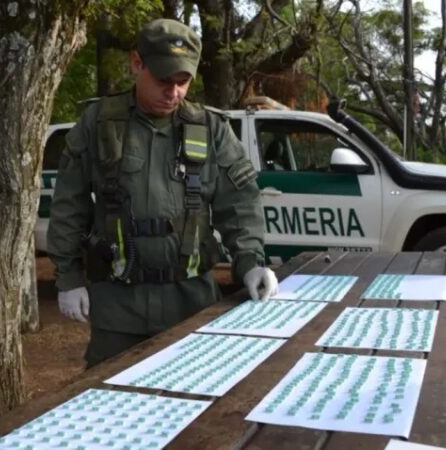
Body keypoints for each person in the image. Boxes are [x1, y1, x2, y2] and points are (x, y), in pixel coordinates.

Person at [47, 18, 278, 367]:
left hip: (192, 304)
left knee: (194, 405)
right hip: (117, 307)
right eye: (163, 80)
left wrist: (250, 263)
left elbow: (240, 203)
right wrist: (68, 278)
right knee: (111, 405)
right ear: (137, 64)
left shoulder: (210, 130)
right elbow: (68, 205)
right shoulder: (97, 124)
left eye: (183, 82)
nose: (173, 92)